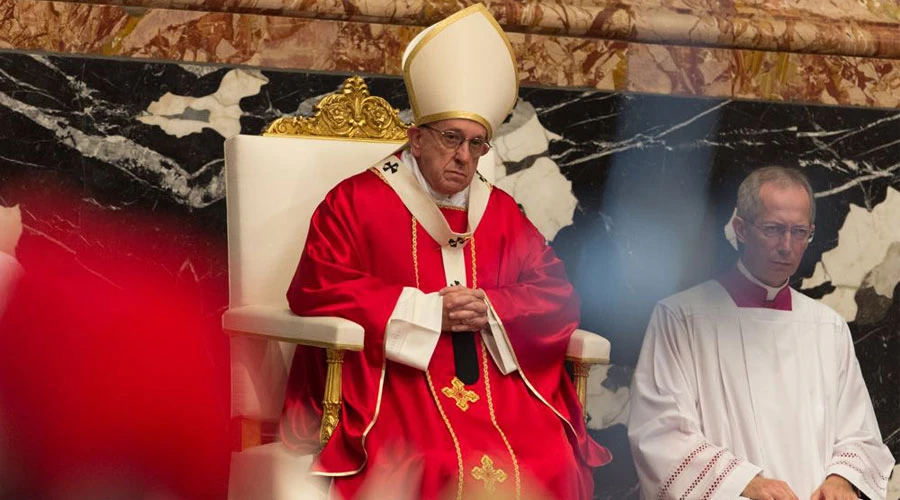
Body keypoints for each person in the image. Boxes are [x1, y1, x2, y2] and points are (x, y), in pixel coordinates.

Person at [280, 3, 611, 499]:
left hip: (499, 389)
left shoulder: (500, 211)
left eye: (478, 144)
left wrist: (492, 308)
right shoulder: (356, 201)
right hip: (396, 384)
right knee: (431, 462)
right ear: (416, 138)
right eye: (451, 138)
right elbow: (315, 285)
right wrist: (427, 309)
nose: (464, 156)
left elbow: (557, 294)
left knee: (550, 457)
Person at [627, 166, 894, 500]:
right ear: (740, 229)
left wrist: (840, 479)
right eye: (773, 229)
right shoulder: (681, 318)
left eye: (799, 232)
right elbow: (659, 433)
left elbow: (859, 432)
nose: (787, 245)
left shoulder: (827, 327)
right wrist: (746, 483)